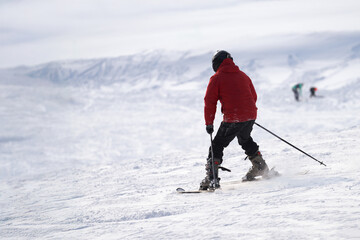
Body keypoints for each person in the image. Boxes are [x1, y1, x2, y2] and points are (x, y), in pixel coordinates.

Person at [199, 50, 270, 190]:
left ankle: (212, 178)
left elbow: (209, 102)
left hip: (233, 118)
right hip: (250, 115)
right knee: (245, 139)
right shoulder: (243, 75)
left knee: (217, 145)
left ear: (216, 63)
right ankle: (260, 167)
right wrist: (247, 114)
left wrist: (209, 123)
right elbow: (253, 96)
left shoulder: (217, 78)